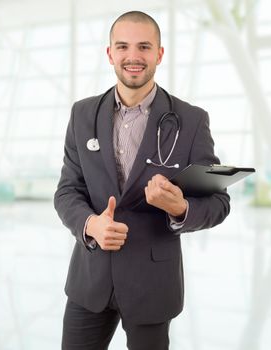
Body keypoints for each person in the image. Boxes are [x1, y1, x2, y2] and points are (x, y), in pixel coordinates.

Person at [54, 10, 230, 350]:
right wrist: (91, 224)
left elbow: (218, 204)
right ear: (110, 54)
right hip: (89, 282)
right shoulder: (82, 114)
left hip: (152, 284)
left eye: (144, 47)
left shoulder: (191, 121)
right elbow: (67, 191)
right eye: (122, 46)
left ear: (159, 54)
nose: (133, 57)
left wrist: (180, 208)